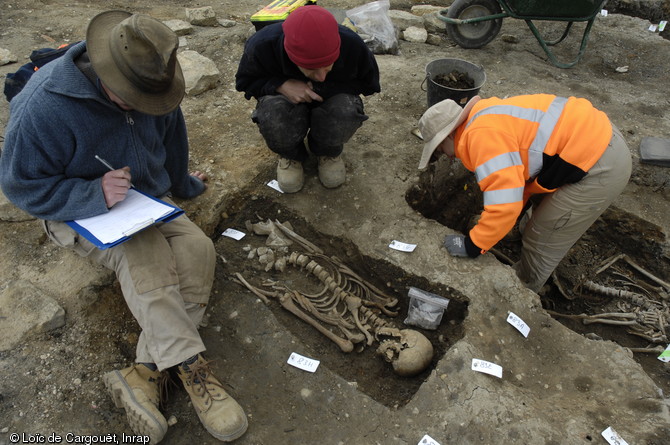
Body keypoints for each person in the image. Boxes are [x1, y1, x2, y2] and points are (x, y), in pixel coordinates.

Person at [0, 11, 247, 443]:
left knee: (197, 249)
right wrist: (92, 193)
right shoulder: (44, 106)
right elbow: (22, 187)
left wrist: (182, 184)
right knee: (144, 253)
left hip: (144, 199)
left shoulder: (155, 85)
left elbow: (171, 141)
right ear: (104, 70)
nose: (142, 107)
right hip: (74, 210)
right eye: (131, 98)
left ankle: (143, 373)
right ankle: (192, 369)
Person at [417, 94, 632, 293]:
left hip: (599, 164)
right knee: (537, 207)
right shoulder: (484, 115)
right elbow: (517, 182)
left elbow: (505, 205)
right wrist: (495, 224)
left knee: (542, 236)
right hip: (594, 138)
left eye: (439, 149)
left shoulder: (480, 138)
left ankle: (523, 288)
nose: (446, 156)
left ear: (449, 134)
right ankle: (518, 230)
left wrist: (474, 244)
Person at [235, 5, 381, 193]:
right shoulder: (263, 45)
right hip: (285, 101)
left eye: (328, 66)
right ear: (290, 56)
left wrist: (323, 88)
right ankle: (291, 155)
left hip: (333, 98)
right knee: (273, 115)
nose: (321, 75)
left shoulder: (352, 44)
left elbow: (370, 85)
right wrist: (280, 85)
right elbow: (244, 82)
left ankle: (327, 151)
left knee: (345, 111)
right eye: (311, 69)